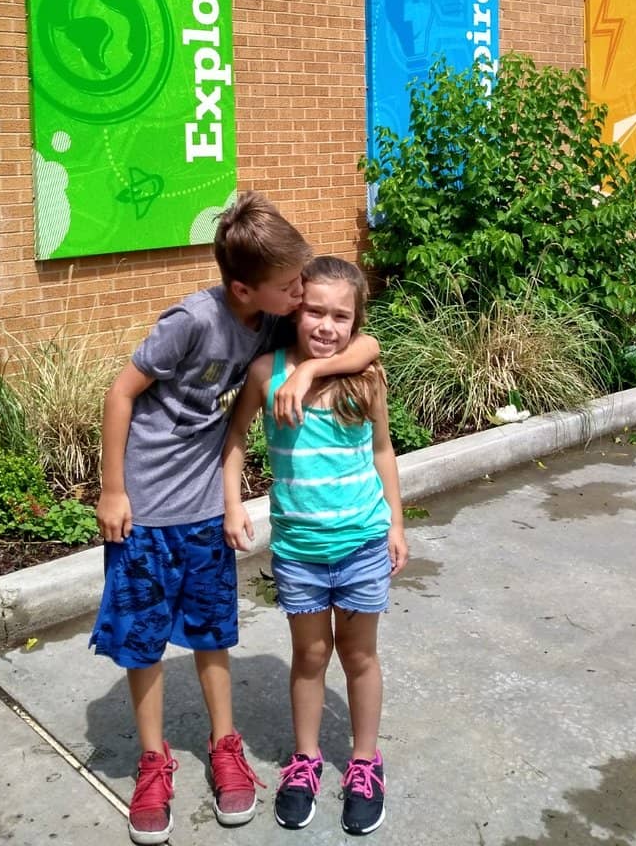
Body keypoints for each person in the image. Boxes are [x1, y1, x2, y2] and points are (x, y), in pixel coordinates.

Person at [90, 194, 382, 846]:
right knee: (143, 643)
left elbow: (366, 340)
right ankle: (152, 760)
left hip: (200, 513)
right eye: (293, 287)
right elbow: (121, 392)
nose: (303, 296)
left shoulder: (274, 321)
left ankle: (226, 745)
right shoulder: (192, 321)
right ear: (248, 287)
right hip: (143, 512)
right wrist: (113, 489)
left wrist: (311, 371)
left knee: (211, 632)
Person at [223, 255, 408, 836]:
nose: (326, 326)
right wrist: (233, 504)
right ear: (294, 310)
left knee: (358, 656)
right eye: (314, 312)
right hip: (300, 550)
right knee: (308, 657)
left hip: (361, 544)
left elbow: (383, 452)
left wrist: (396, 524)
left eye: (340, 316)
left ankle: (364, 761)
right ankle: (304, 762)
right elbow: (233, 442)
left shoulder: (364, 375)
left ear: (355, 322)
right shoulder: (265, 374)